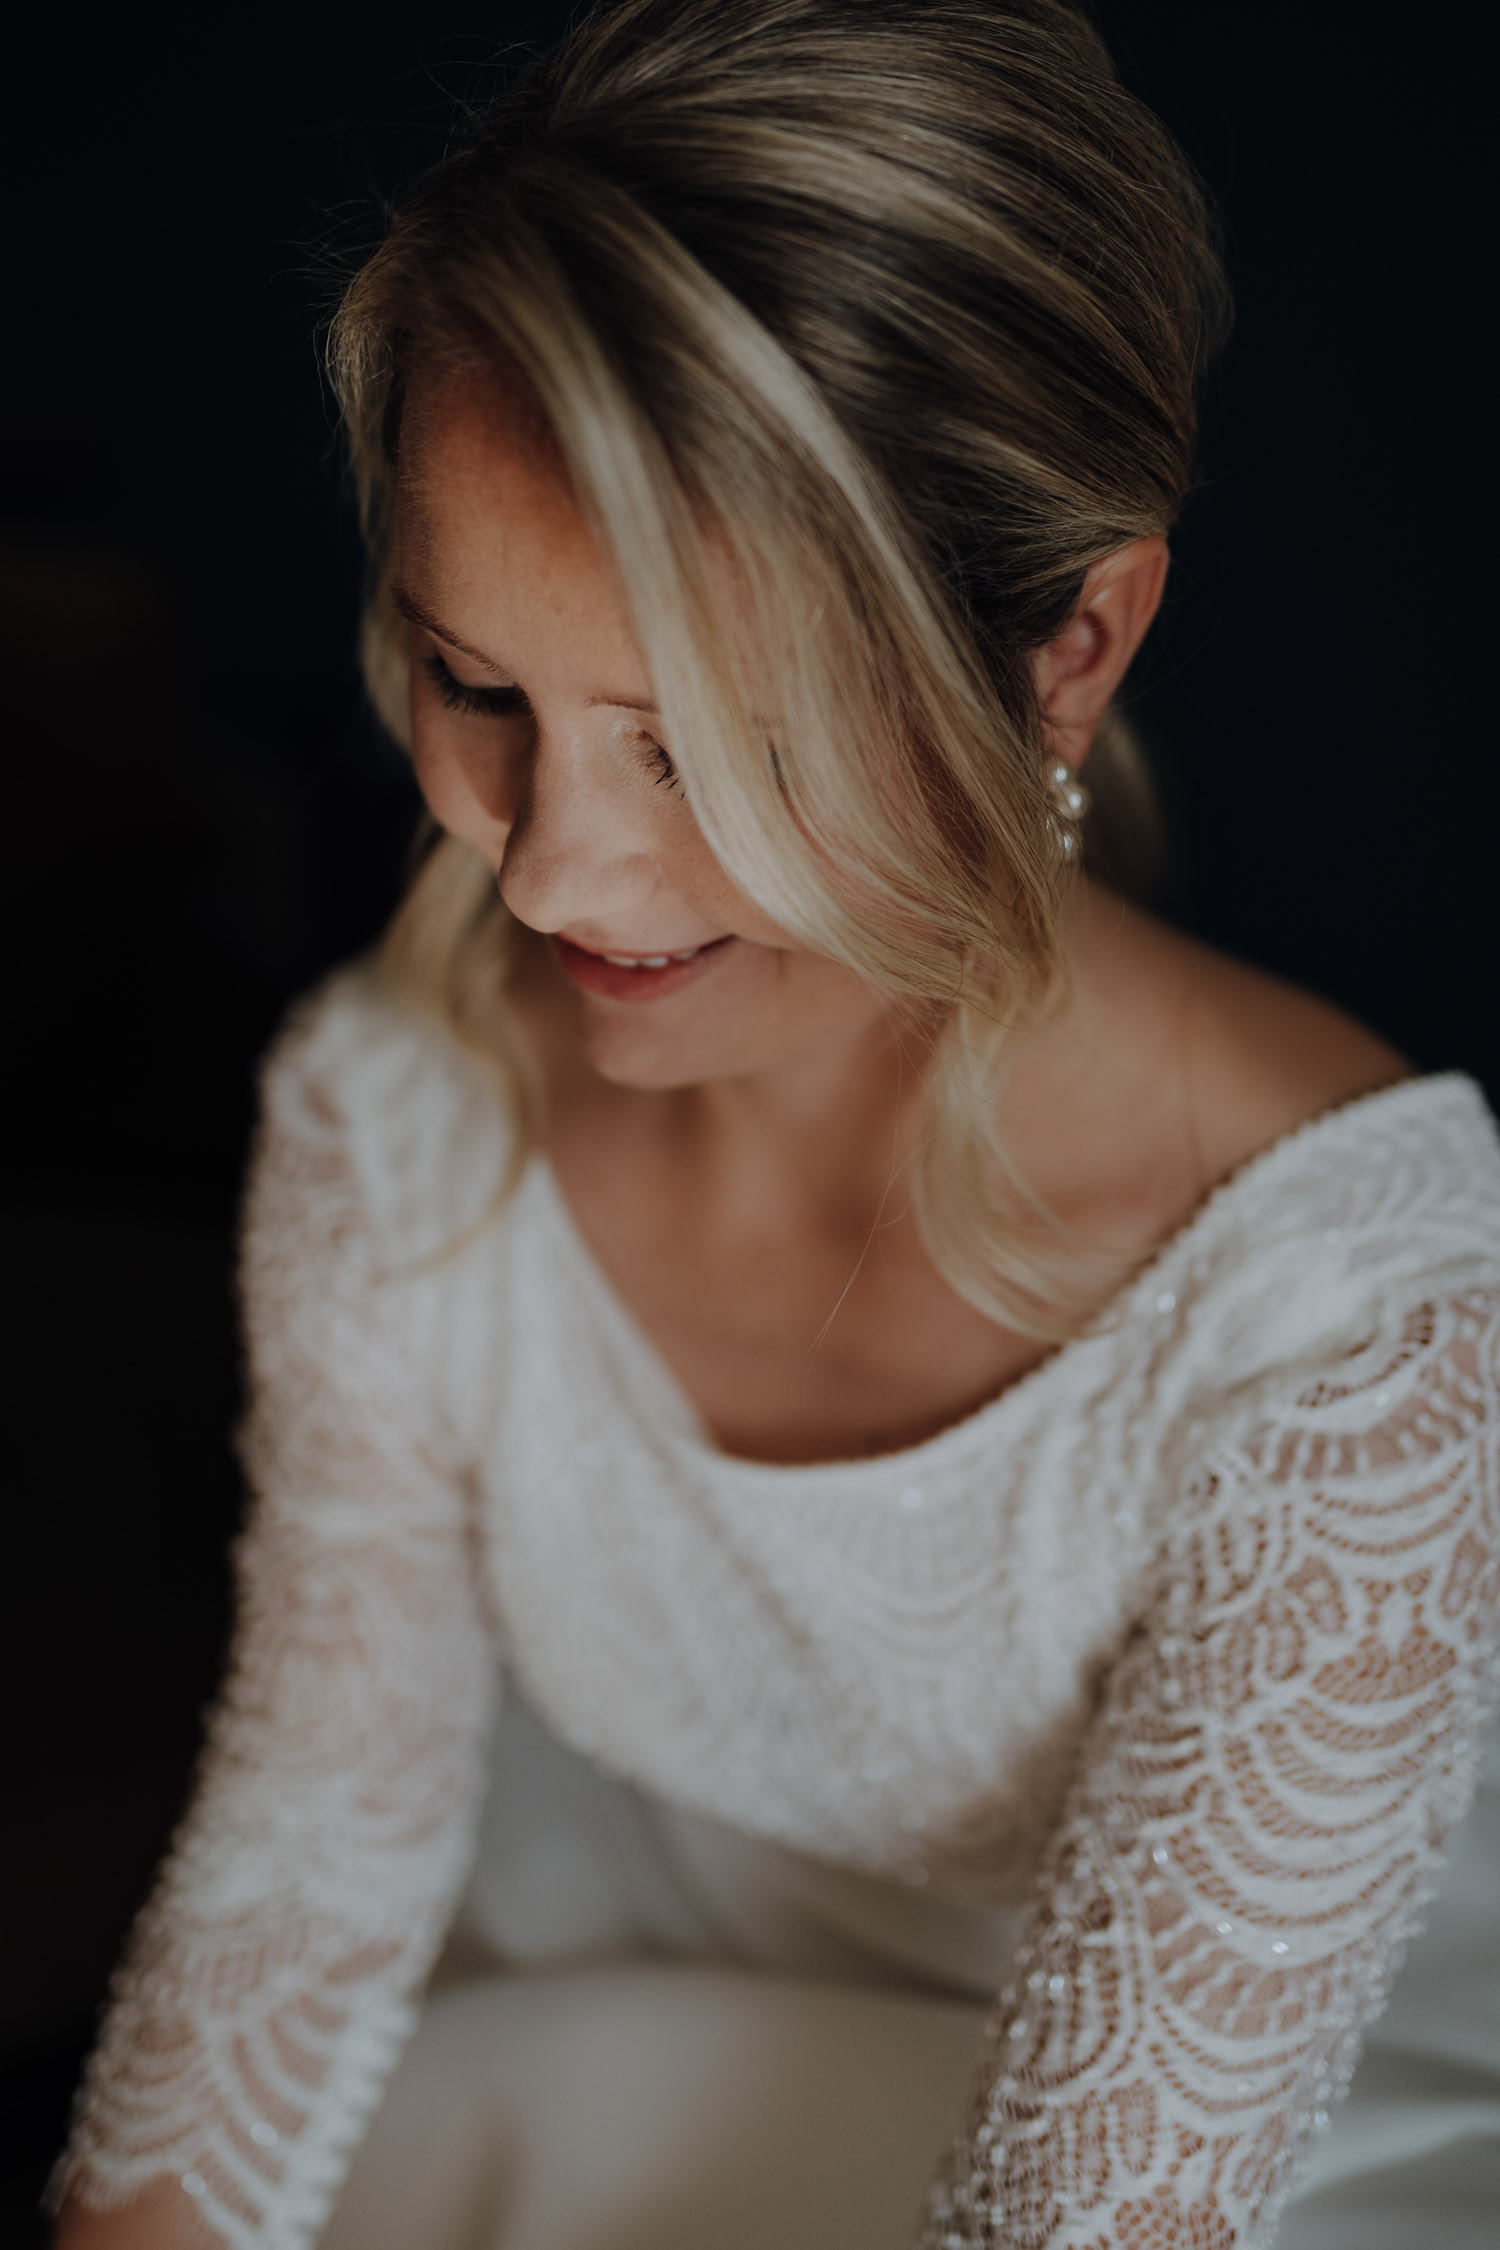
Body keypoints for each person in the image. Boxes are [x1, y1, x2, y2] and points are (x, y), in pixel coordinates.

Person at [49, 2, 1500, 2245]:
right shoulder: (402, 1109)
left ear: (1072, 647)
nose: (550, 875)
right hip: (631, 2024)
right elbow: (312, 1850)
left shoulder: (1359, 1328)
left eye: (717, 737)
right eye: (480, 686)